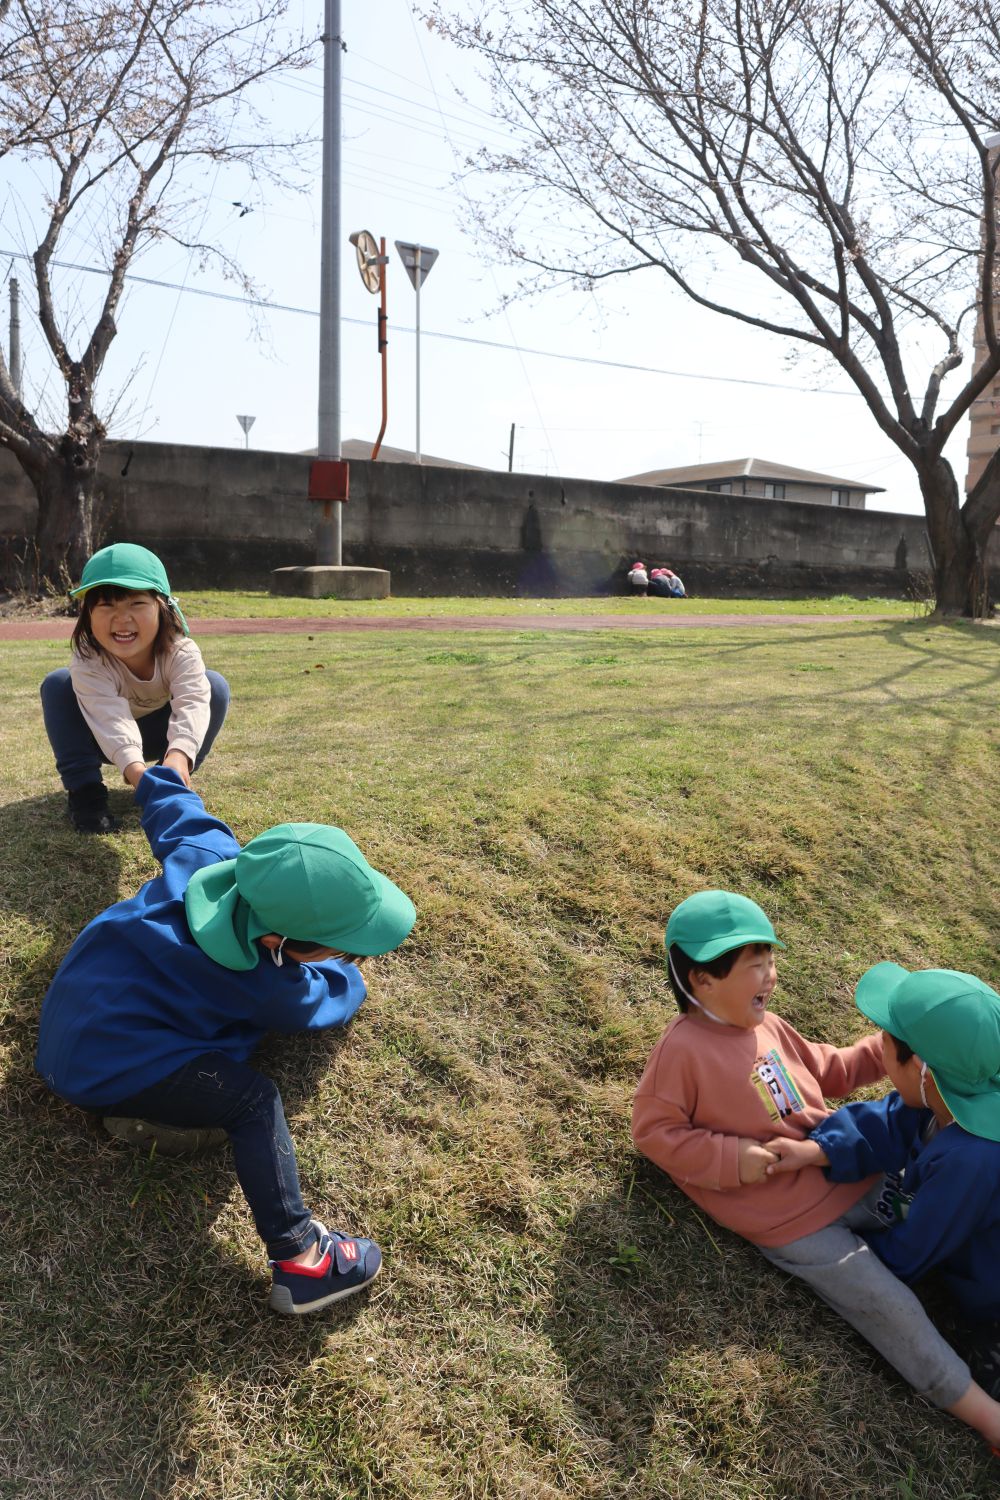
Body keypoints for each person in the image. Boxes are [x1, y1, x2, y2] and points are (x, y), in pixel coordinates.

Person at [36, 764, 417, 1315]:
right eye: (338, 947)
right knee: (251, 1101)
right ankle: (303, 1261)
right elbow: (326, 1002)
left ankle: (140, 1106)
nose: (343, 957)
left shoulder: (214, 860)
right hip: (107, 1066)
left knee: (226, 1040)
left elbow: (177, 813)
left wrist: (151, 775)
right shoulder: (263, 981)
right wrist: (346, 975)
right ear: (275, 940)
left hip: (75, 1019)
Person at [631, 890, 1000, 1450]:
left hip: (838, 1166)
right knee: (888, 1306)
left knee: (935, 1216)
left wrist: (885, 1050)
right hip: (791, 1220)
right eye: (755, 966)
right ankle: (984, 1414)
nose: (770, 976)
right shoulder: (682, 1052)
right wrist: (733, 1160)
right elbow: (655, 1133)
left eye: (770, 960)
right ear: (702, 981)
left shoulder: (768, 1028)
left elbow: (825, 1073)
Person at [766, 963, 1000, 1397]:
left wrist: (855, 1260)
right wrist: (819, 1149)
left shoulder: (973, 1160)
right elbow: (887, 1123)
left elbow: (914, 1248)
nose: (878, 1048)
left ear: (921, 1069)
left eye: (886, 1045)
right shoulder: (955, 1092)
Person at [40, 542, 229, 834]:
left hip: (158, 736)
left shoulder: (181, 652)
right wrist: (135, 770)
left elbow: (192, 703)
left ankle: (171, 780)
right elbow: (109, 718)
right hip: (102, 738)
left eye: (136, 603)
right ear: (87, 612)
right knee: (57, 684)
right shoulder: (89, 660)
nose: (122, 618)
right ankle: (86, 794)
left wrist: (178, 757)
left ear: (162, 606)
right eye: (106, 605)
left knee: (214, 685)